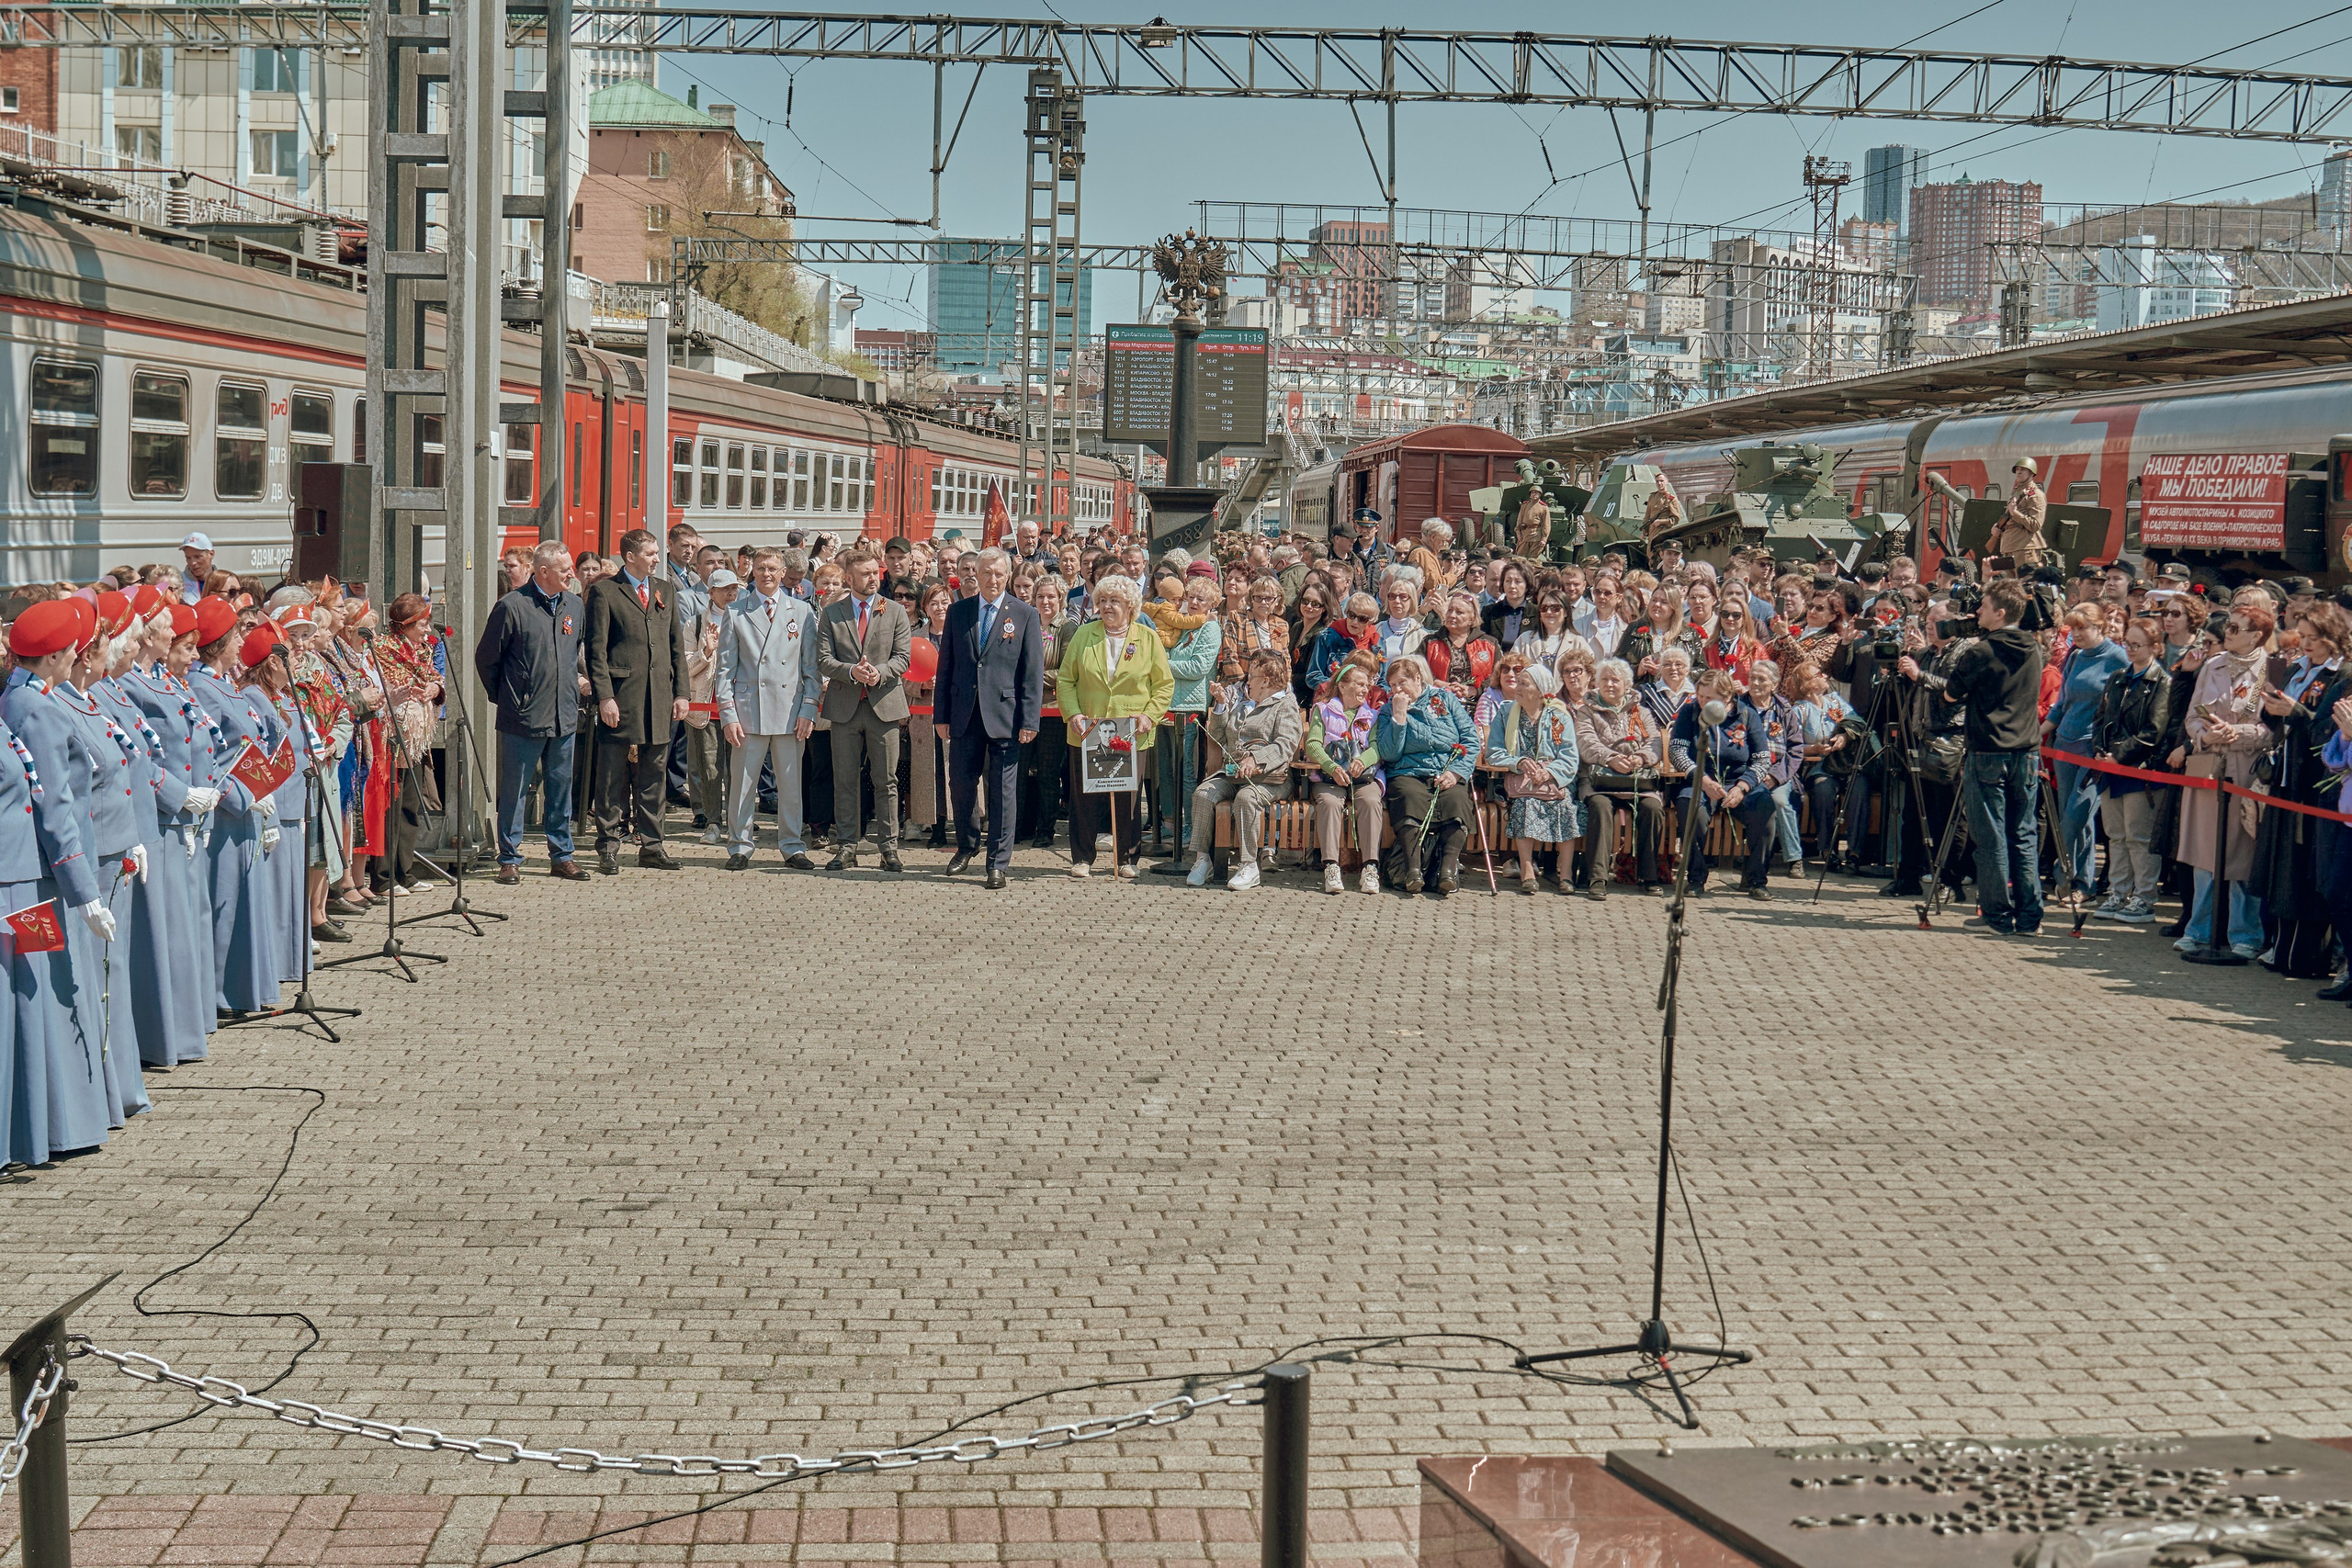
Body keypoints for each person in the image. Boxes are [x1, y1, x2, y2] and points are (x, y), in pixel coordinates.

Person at [1935, 577, 2047, 936]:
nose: (1975, 611)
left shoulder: (1980, 652)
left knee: (1992, 836)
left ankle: (1997, 915)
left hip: (1988, 752)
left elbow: (1950, 696)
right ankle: (2030, 917)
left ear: (1999, 613)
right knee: (2023, 833)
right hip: (2027, 751)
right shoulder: (2033, 647)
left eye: (1982, 607)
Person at [474, 541, 587, 885]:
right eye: (565, 568)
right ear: (542, 572)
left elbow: (574, 652)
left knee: (560, 786)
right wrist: (511, 699)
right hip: (523, 716)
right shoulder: (512, 606)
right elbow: (487, 660)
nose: (572, 573)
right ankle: (509, 857)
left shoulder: (574, 605)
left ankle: (561, 855)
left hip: (564, 713)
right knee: (516, 788)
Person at [584, 528, 691, 875]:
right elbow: (596, 651)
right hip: (622, 697)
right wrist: (605, 696)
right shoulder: (605, 592)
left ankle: (652, 845)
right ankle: (608, 845)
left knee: (653, 776)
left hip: (659, 695)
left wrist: (682, 693)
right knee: (612, 776)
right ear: (629, 557)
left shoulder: (665, 589)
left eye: (658, 552)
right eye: (650, 553)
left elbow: (676, 645)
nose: (657, 558)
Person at [936, 547, 1043, 889]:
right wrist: (941, 715)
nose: (993, 580)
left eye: (999, 574)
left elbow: (1031, 671)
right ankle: (966, 846)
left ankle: (997, 861)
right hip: (964, 714)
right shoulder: (959, 611)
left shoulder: (1025, 614)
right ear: (975, 576)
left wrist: (1030, 720)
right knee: (962, 785)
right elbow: (946, 666)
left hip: (1006, 716)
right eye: (986, 574)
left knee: (1002, 791)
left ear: (1007, 576)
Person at [1055, 575, 1172, 880]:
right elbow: (1067, 679)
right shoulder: (1084, 635)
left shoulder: (1147, 638)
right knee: (1084, 796)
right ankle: (1082, 858)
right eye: (1103, 601)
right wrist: (1073, 713)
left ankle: (1127, 859)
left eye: (1115, 601)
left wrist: (1150, 716)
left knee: (1127, 797)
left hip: (1130, 731)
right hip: (1087, 729)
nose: (1107, 606)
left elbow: (1163, 685)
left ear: (1130, 606)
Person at [2174, 601, 2274, 958]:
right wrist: (2204, 735)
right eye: (2227, 626)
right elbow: (2192, 717)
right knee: (2205, 853)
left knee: (2240, 856)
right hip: (2207, 769)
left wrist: (2239, 733)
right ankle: (2199, 930)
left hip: (2244, 772)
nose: (2226, 633)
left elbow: (2273, 730)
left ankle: (2245, 935)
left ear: (2256, 636)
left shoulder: (2272, 668)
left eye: (2234, 628)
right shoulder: (2212, 665)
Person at [716, 547, 821, 872]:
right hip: (750, 710)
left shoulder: (801, 612)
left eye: (773, 568)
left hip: (790, 710)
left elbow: (811, 669)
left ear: (782, 571)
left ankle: (791, 845)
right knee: (743, 785)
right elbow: (724, 671)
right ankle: (740, 845)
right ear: (752, 572)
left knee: (790, 786)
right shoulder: (736, 612)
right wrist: (728, 715)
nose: (767, 574)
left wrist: (809, 709)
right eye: (760, 568)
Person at [816, 548, 912, 872]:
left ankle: (889, 848)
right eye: (866, 574)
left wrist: (880, 672)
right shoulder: (832, 613)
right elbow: (823, 659)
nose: (874, 578)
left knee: (885, 780)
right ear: (849, 578)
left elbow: (903, 657)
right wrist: (850, 671)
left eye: (876, 572)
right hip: (844, 707)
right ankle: (846, 845)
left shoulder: (895, 611)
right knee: (844, 780)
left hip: (883, 705)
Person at [1185, 649, 1300, 891]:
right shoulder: (1243, 702)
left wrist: (1256, 759)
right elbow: (1217, 737)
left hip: (1271, 779)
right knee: (1203, 794)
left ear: (1267, 680)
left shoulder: (1285, 704)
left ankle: (1249, 865)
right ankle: (1202, 860)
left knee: (1246, 798)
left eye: (1253, 674)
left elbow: (1285, 745)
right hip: (1233, 773)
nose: (1247, 678)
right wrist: (1220, 705)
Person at [2045, 603, 2129, 912]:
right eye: (2073, 628)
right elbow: (2062, 702)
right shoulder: (2075, 657)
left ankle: (2063, 876)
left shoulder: (2119, 657)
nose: (2076, 634)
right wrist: (2038, 732)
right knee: (2077, 820)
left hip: (2095, 750)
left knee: (2076, 816)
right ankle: (2083, 884)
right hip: (2064, 744)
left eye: (2082, 628)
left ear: (2100, 627)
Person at [1668, 666, 1776, 900]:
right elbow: (1677, 752)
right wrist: (1702, 779)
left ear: (1727, 697)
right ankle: (1696, 877)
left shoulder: (1747, 714)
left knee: (1765, 810)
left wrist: (1742, 787)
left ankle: (1757, 880)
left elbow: (1761, 758)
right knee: (1691, 808)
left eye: (1710, 698)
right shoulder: (1689, 713)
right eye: (1701, 696)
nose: (1703, 701)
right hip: (1701, 778)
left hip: (1739, 781)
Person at [1375, 653, 1477, 897]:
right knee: (1408, 796)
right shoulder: (1388, 710)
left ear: (1418, 679)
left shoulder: (1445, 699)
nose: (1397, 689)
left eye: (1402, 682)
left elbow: (1471, 739)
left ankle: (1447, 872)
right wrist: (1399, 719)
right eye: (1392, 685)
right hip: (1408, 771)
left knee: (1456, 800)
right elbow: (1388, 754)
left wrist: (1455, 772)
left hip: (1446, 769)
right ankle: (1413, 871)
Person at [2090, 615, 2171, 923]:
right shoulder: (2117, 678)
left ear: (2155, 647)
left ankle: (2144, 897)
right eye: (2128, 643)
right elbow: (2100, 719)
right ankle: (2117, 891)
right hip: (2110, 768)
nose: (2131, 649)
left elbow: (2154, 730)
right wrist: (2099, 750)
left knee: (2139, 836)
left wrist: (2120, 755)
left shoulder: (2161, 682)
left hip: (2138, 771)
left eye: (2138, 645)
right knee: (2115, 835)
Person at [1484, 652, 1579, 896]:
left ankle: (1566, 875)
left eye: (1524, 683)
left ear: (1540, 691)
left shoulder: (1559, 716)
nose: (1517, 685)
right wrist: (1519, 761)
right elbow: (1494, 752)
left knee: (1567, 806)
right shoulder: (1506, 713)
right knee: (1525, 805)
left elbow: (1569, 757)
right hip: (1520, 781)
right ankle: (1527, 871)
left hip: (1552, 780)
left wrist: (1548, 773)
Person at [1304, 657, 1385, 896]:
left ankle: (1370, 867)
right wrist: (1332, 767)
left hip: (1363, 777)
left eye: (1366, 685)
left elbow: (1377, 747)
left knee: (1371, 801)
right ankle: (1331, 866)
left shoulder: (1372, 715)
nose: (1365, 689)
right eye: (1359, 684)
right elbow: (1313, 744)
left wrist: (1363, 760)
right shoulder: (1322, 709)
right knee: (1329, 803)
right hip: (1330, 778)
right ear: (1342, 685)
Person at [1021, 575, 1076, 850]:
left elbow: (1065, 671)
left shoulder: (1067, 628)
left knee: (1047, 772)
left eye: (1051, 596)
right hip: (1023, 708)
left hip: (1053, 712)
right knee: (1020, 770)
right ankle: (1022, 826)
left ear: (1060, 599)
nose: (1045, 601)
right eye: (1040, 596)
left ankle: (1046, 829)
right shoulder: (1026, 623)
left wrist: (1028, 678)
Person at [904, 581, 953, 848]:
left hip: (955, 711)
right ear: (925, 608)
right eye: (934, 602)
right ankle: (936, 826)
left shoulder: (961, 634)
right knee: (927, 771)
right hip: (923, 714)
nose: (940, 607)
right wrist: (921, 684)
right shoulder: (916, 638)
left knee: (954, 769)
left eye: (945, 601)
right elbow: (903, 675)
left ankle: (964, 823)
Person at [1992, 458, 2049, 568]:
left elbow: (2035, 525)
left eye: (2023, 469)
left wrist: (2015, 513)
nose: (2018, 472)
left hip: (2025, 547)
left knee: (2024, 582)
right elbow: (2009, 519)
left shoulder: (2035, 495)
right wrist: (1998, 527)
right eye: (2017, 469)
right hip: (2008, 546)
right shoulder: (2016, 492)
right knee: (2009, 584)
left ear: (2031, 473)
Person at [178, 533, 215, 605]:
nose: (193, 563)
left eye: (197, 557)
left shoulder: (225, 581)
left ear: (211, 554)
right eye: (188, 558)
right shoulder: (179, 582)